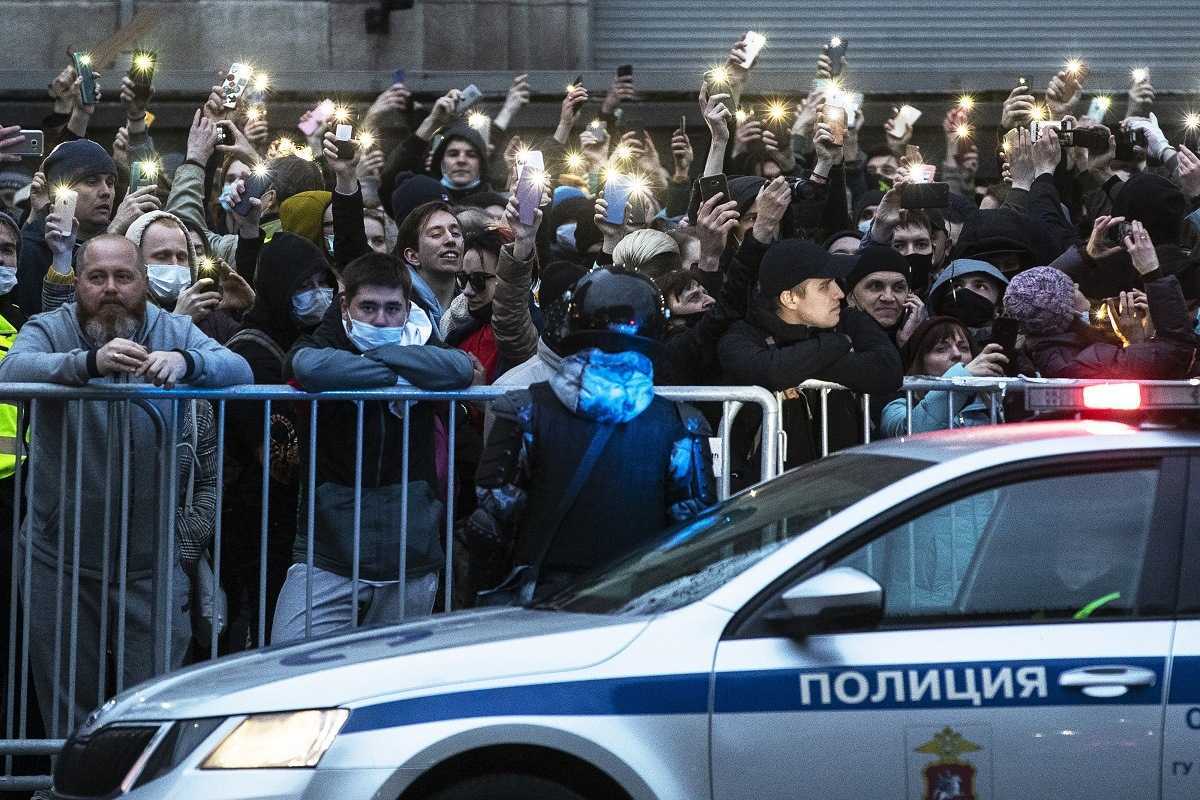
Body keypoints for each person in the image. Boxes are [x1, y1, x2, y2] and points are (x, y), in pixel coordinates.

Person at [0, 234, 251, 735]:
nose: (111, 288)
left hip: (150, 564)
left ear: (143, 282)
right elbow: (10, 370)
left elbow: (239, 368)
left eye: (123, 276)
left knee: (153, 709)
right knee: (70, 713)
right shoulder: (50, 327)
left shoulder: (173, 328)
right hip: (61, 559)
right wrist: (86, 363)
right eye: (97, 277)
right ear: (78, 283)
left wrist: (188, 362)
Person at [469, 267, 716, 599]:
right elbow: (693, 535)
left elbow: (491, 523)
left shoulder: (524, 410)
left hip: (541, 603)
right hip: (636, 604)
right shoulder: (682, 425)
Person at [274, 252, 474, 643]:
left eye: (392, 309)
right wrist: (406, 370)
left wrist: (376, 359)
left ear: (408, 310)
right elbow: (308, 366)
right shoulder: (325, 337)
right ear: (344, 306)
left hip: (410, 552)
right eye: (368, 307)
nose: (381, 320)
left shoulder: (424, 338)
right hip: (329, 553)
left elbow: (460, 369)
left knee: (391, 673)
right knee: (289, 655)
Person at [222, 231, 335, 649]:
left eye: (324, 283)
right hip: (261, 523)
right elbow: (279, 460)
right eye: (304, 286)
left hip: (305, 525)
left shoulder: (318, 344)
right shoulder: (251, 352)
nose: (318, 295)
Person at [719, 239, 903, 475]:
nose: (839, 293)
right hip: (770, 489)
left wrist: (800, 364)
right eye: (825, 285)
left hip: (847, 484)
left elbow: (889, 369)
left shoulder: (848, 321)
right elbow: (769, 370)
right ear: (790, 298)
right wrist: (835, 345)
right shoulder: (742, 337)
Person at [1003, 221, 1199, 379]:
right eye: (1073, 289)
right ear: (1069, 311)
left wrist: (1086, 255)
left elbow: (1032, 294)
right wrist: (1151, 272)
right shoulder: (1086, 361)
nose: (1077, 286)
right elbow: (1177, 352)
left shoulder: (1041, 344)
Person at [880, 316, 1008, 436]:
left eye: (963, 348)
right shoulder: (896, 409)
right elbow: (915, 433)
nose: (957, 354)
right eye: (941, 349)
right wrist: (961, 377)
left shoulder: (989, 402)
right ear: (919, 362)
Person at [844, 245, 922, 347]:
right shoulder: (832, 344)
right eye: (876, 286)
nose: (888, 298)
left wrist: (910, 343)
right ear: (850, 298)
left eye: (899, 287)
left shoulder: (931, 342)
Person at [926, 258, 1009, 340]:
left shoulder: (1012, 345)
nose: (966, 290)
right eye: (956, 286)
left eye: (980, 286)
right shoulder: (925, 344)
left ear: (999, 308)